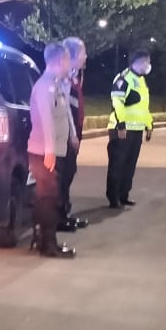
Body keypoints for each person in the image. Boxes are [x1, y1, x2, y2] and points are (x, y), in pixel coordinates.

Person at [28, 43, 79, 259]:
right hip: (44, 152)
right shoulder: (45, 86)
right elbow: (46, 120)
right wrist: (49, 151)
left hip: (52, 151)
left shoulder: (56, 84)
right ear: (60, 61)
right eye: (67, 60)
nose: (69, 64)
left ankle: (41, 239)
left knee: (47, 197)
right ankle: (48, 245)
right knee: (48, 198)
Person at [106, 50, 154, 209]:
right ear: (138, 62)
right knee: (117, 165)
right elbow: (117, 103)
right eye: (147, 61)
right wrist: (121, 125)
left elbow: (143, 107)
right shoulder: (123, 78)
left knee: (129, 165)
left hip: (136, 130)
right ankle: (113, 197)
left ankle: (124, 195)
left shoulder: (141, 80)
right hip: (122, 129)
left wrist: (149, 125)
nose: (148, 65)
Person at [58, 36, 89, 232]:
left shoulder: (74, 75)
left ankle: (64, 214)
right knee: (63, 175)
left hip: (73, 130)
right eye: (83, 52)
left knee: (69, 172)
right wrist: (72, 133)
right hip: (66, 133)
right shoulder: (64, 76)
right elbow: (64, 108)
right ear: (74, 54)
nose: (86, 56)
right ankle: (59, 217)